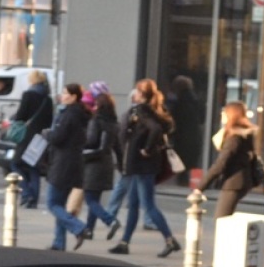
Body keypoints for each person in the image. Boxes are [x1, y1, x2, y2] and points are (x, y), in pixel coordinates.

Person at [109, 78, 180, 257]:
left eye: (137, 91)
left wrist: (146, 150)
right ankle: (124, 242)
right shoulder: (156, 110)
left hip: (142, 165)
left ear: (140, 94)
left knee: (148, 205)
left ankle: (170, 240)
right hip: (142, 165)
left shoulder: (142, 111)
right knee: (133, 204)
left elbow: (155, 129)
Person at [43, 83, 92, 250]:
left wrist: (47, 134)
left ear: (73, 96)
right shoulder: (79, 114)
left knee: (52, 203)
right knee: (61, 206)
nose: (62, 95)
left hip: (63, 163)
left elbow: (58, 138)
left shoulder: (69, 114)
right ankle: (59, 243)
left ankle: (79, 227)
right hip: (74, 163)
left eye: (65, 93)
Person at [193, 100, 259, 220]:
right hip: (240, 181)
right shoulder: (243, 135)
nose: (221, 115)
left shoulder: (235, 138)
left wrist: (200, 187)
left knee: (221, 219)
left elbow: (220, 164)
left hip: (234, 182)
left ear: (231, 115)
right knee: (226, 218)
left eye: (224, 113)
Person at [77, 88, 121, 242]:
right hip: (107, 164)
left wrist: (80, 149)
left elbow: (91, 142)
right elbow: (118, 148)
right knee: (94, 198)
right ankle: (89, 229)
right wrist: (122, 166)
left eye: (96, 104)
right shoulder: (114, 124)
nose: (94, 107)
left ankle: (110, 220)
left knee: (90, 199)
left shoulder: (95, 121)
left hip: (93, 164)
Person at [10, 70, 53, 209]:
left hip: (27, 135)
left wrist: (14, 119)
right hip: (40, 136)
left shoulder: (28, 95)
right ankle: (33, 200)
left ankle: (27, 193)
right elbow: (50, 120)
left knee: (16, 164)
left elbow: (21, 115)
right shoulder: (48, 98)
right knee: (33, 166)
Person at [166, 75, 203, 186]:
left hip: (182, 138)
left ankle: (183, 185)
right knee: (193, 164)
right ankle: (195, 186)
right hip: (195, 137)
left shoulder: (179, 104)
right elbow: (202, 118)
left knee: (181, 165)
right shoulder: (197, 101)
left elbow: (174, 122)